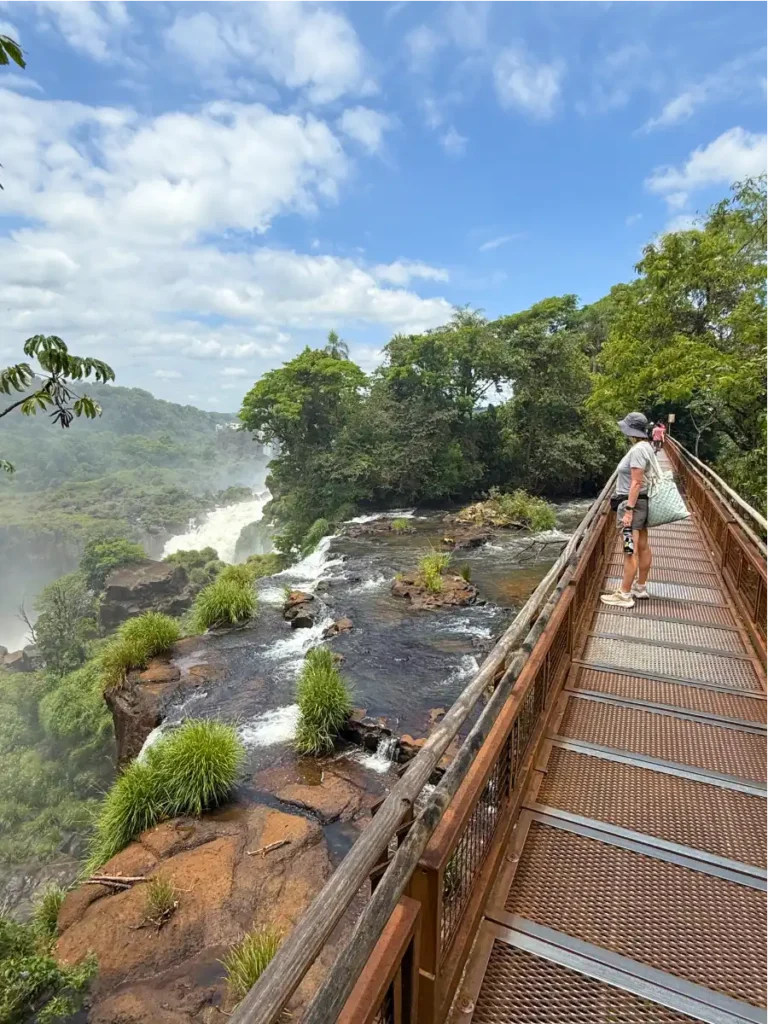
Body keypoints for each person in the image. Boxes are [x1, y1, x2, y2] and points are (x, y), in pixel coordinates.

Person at [601, 411, 655, 608]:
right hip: (641, 503)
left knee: (629, 549)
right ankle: (640, 587)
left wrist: (629, 510)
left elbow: (636, 481)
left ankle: (624, 594)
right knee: (642, 545)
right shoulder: (646, 447)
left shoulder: (638, 450)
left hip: (632, 504)